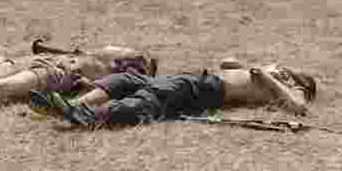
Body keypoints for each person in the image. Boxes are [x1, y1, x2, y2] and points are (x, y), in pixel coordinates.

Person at [42, 58, 317, 128]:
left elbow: (299, 109)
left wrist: (273, 78)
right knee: (127, 79)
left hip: (211, 91)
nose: (280, 70)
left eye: (286, 72)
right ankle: (71, 104)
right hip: (199, 80)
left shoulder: (294, 89)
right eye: (281, 69)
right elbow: (227, 62)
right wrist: (254, 68)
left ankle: (87, 115)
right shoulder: (266, 73)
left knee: (152, 98)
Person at [0, 44, 157, 120]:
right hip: (45, 59)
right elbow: (74, 50)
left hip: (55, 74)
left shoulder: (120, 75)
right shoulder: (108, 54)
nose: (134, 53)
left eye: (140, 59)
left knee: (3, 88)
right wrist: (43, 47)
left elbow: (101, 89)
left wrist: (81, 82)